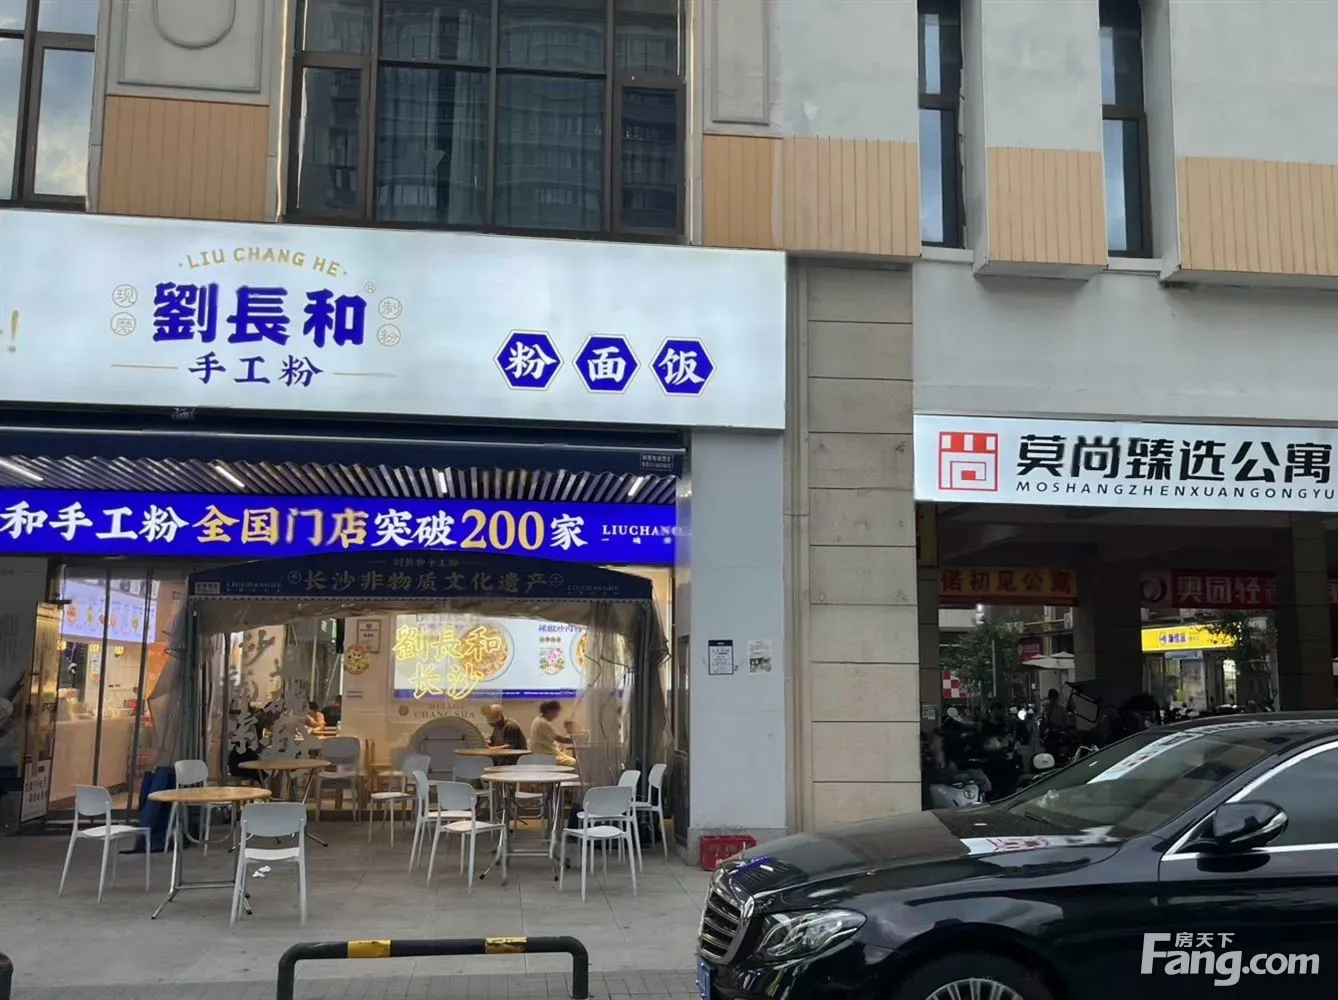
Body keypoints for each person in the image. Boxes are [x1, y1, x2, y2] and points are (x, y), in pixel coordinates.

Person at [529, 700, 577, 766]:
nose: (556, 716)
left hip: (541, 754)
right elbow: (561, 739)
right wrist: (576, 739)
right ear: (550, 711)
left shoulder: (537, 720)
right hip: (545, 756)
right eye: (556, 713)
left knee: (571, 759)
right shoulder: (543, 723)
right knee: (574, 763)